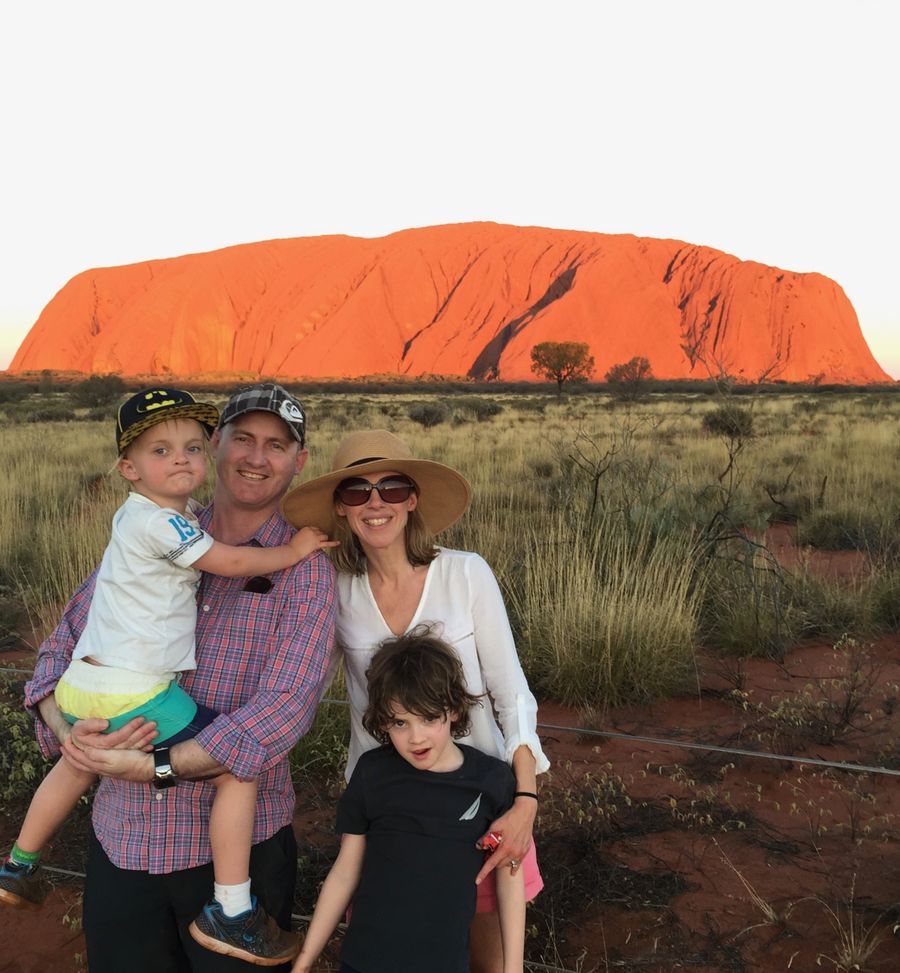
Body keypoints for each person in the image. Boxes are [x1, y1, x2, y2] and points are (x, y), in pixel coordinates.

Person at [0, 387, 335, 965]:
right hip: (124, 844)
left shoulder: (308, 572)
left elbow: (284, 708)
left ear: (298, 460)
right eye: (243, 439)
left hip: (236, 853)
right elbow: (60, 651)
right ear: (218, 445)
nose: (257, 457)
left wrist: (150, 766)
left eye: (276, 445)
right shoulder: (155, 531)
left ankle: (24, 864)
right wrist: (67, 734)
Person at [281, 429, 549, 973]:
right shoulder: (334, 589)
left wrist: (525, 800)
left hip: (480, 800)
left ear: (413, 498)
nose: (375, 504)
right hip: (388, 806)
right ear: (340, 507)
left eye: (391, 488)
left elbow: (510, 693)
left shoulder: (464, 573)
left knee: (487, 955)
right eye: (357, 492)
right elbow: (297, 679)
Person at [293, 628, 525, 973]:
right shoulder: (372, 773)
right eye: (400, 722)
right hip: (364, 962)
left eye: (429, 718)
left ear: (454, 710)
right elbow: (345, 871)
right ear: (383, 721)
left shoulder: (492, 780)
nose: (416, 737)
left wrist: (513, 968)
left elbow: (509, 875)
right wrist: (305, 961)